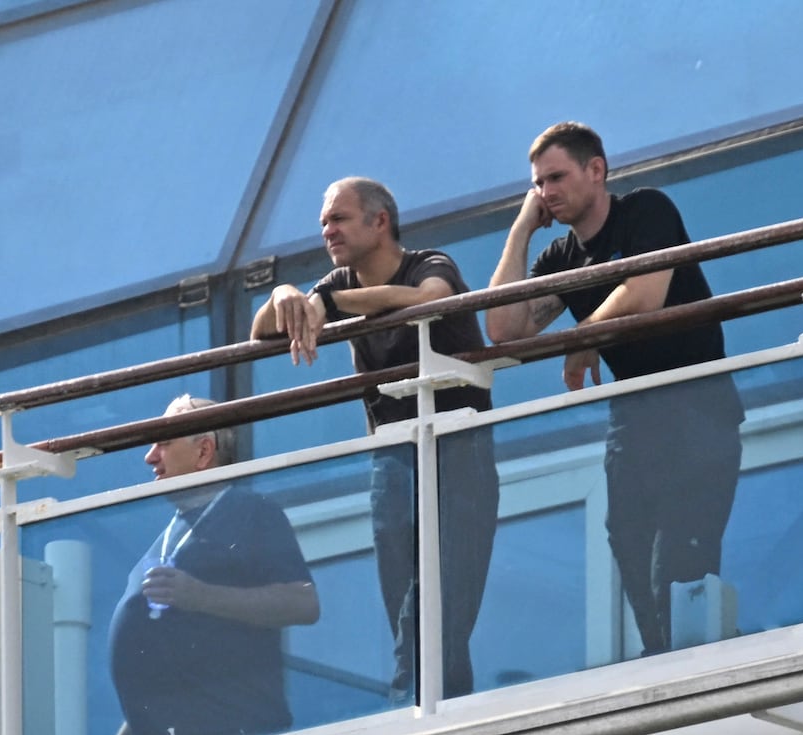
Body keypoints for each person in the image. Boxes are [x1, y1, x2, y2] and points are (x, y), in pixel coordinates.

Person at [486, 121, 744, 656]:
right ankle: (664, 657)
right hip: (635, 416)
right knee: (627, 542)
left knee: (678, 556)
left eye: (556, 177)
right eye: (538, 184)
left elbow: (645, 291)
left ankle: (693, 660)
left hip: (695, 402)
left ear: (596, 170)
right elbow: (505, 330)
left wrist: (583, 335)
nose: (546, 192)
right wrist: (521, 230)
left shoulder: (646, 210)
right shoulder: (560, 257)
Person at [249, 177, 497, 701]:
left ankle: (417, 709)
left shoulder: (430, 263)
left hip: (457, 453)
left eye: (339, 219)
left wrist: (331, 303)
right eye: (324, 222)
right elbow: (260, 332)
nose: (328, 231)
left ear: (379, 222)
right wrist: (287, 293)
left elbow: (431, 301)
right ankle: (431, 706)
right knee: (406, 603)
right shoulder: (336, 281)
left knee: (438, 605)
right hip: (392, 459)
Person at [105, 395, 319, 735]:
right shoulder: (168, 535)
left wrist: (200, 596)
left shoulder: (251, 511)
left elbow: (303, 602)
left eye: (164, 442)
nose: (150, 457)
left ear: (204, 451)